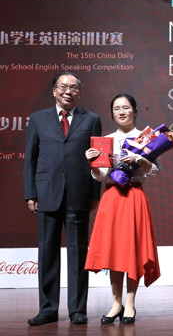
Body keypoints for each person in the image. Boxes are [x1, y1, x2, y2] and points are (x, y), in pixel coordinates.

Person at [24, 72, 102, 326]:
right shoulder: (38, 119)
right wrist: (30, 193)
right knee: (47, 252)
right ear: (54, 91)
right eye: (63, 87)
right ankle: (47, 308)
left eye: (74, 88)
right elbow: (31, 159)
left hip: (79, 194)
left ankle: (77, 309)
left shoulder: (91, 119)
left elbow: (97, 160)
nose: (68, 91)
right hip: (46, 193)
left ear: (79, 92)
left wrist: (94, 193)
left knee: (78, 253)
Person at [84, 94, 161, 325]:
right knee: (113, 250)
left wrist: (140, 159)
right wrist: (94, 165)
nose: (121, 112)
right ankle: (116, 302)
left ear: (135, 111)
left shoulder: (146, 138)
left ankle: (130, 303)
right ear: (112, 113)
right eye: (116, 108)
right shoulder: (105, 140)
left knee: (132, 250)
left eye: (126, 108)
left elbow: (155, 170)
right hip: (111, 198)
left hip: (134, 197)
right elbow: (102, 176)